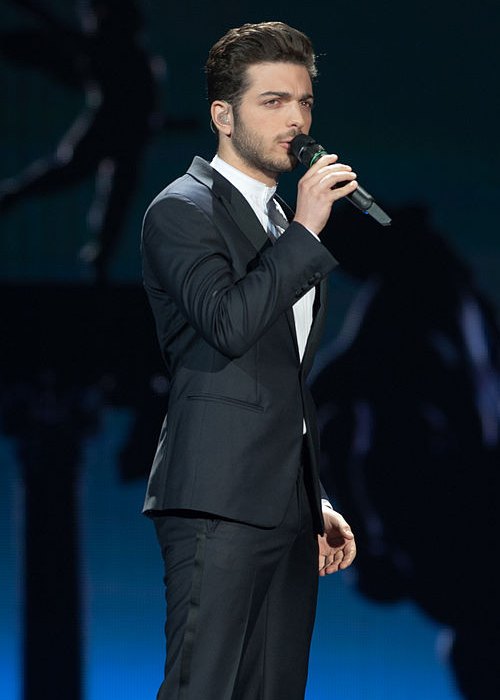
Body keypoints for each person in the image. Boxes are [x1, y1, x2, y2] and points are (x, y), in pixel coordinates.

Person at [141, 21, 357, 700]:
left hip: (282, 507)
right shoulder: (181, 211)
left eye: (304, 102)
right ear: (223, 116)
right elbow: (230, 324)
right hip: (216, 503)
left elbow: (279, 374)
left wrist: (308, 490)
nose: (296, 119)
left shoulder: (277, 224)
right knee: (203, 689)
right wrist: (306, 228)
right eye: (273, 102)